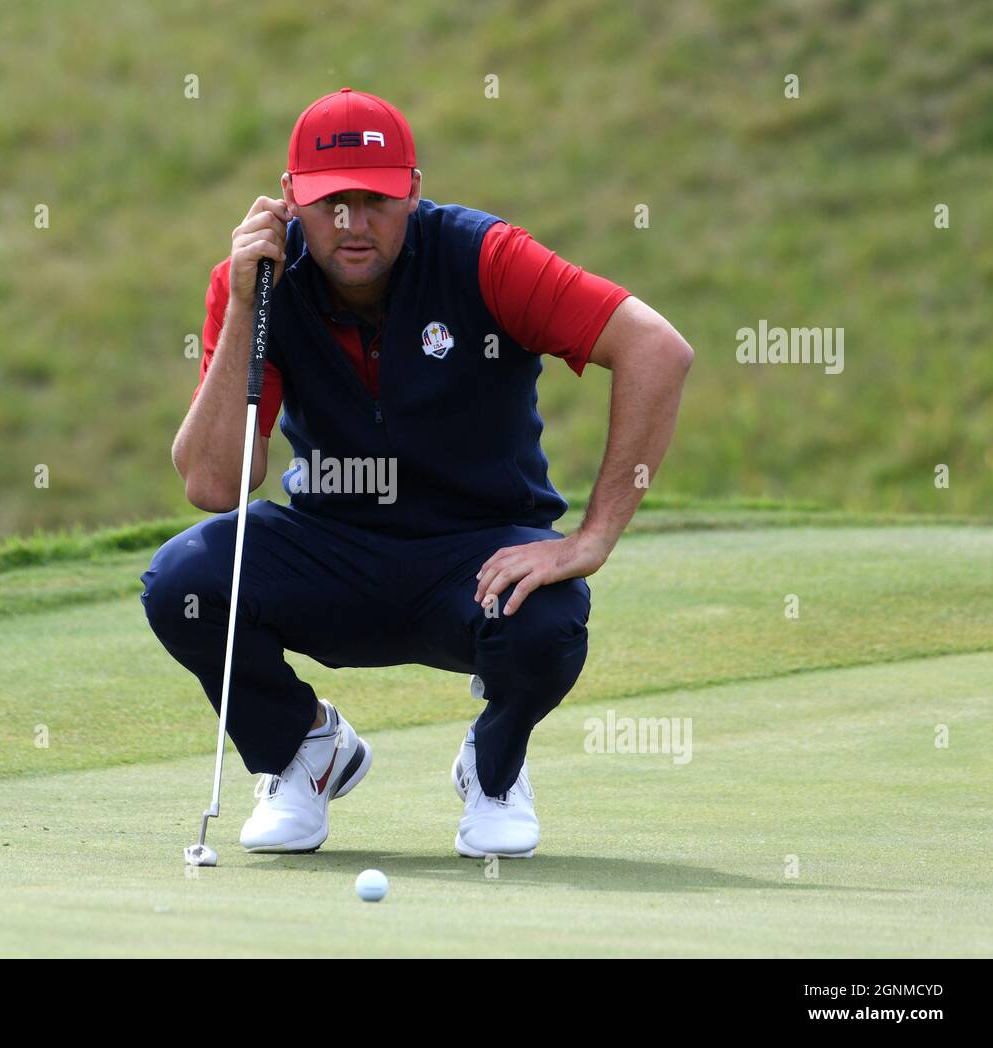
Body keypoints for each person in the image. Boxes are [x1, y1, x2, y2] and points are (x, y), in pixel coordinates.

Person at [142, 88, 692, 858]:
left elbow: (657, 350)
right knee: (184, 583)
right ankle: (303, 753)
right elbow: (211, 483)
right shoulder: (259, 283)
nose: (353, 224)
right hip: (332, 545)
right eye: (332, 202)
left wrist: (591, 539)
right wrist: (241, 304)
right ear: (292, 198)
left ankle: (494, 773)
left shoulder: (484, 256)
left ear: (414, 193)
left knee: (547, 619)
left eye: (376, 200)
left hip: (477, 555)